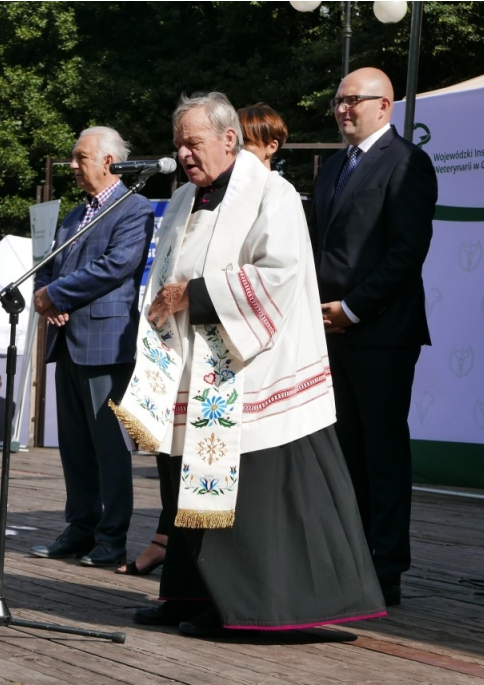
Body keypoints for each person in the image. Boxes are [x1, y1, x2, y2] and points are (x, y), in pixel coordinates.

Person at [118, 92, 384, 638]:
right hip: (192, 366)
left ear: (229, 140)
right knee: (182, 485)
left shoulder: (272, 193)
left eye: (193, 144)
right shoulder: (182, 201)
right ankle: (190, 593)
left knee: (243, 496)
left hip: (250, 371)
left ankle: (244, 605)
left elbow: (281, 273)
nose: (185, 155)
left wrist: (193, 293)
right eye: (178, 146)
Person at [311, 67, 437, 607]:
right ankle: (347, 562)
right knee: (342, 453)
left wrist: (354, 309)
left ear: (384, 105)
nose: (342, 109)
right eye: (337, 101)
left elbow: (406, 253)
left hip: (381, 333)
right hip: (325, 332)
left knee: (382, 455)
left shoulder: (408, 162)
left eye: (352, 100)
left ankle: (385, 570)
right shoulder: (334, 165)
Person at [29, 126, 155, 569]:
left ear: (108, 161)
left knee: (109, 445)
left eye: (80, 157)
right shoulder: (73, 215)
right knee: (75, 445)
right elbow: (46, 265)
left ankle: (111, 537)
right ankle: (79, 527)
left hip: (106, 342)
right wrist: (48, 299)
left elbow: (116, 266)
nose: (73, 166)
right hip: (67, 341)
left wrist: (58, 295)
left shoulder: (133, 209)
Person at [237, 102, 288, 171]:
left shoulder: (277, 182)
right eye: (233, 141)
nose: (234, 148)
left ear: (271, 147)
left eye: (244, 141)